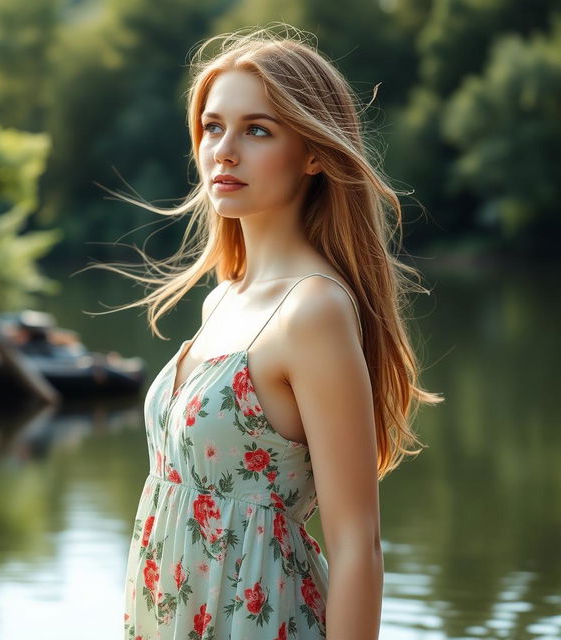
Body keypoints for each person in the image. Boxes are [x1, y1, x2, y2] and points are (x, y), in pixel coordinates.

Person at [94, 23, 443, 640]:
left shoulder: (312, 311)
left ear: (313, 154)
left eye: (258, 130)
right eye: (213, 126)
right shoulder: (222, 300)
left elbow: (358, 544)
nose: (224, 151)